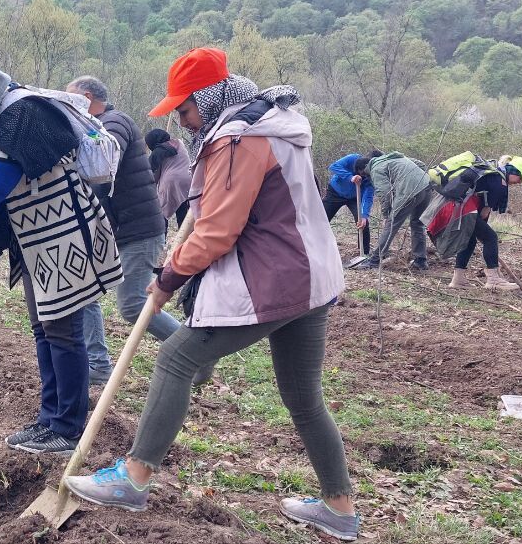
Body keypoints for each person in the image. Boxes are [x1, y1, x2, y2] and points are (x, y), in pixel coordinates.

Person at [63, 47, 359, 542]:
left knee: (177, 358)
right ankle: (340, 509)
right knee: (304, 397)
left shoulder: (238, 140)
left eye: (184, 106)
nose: (180, 117)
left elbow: (219, 230)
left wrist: (169, 278)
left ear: (210, 95)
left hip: (275, 278)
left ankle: (133, 478)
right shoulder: (276, 126)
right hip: (314, 277)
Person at [0, 59, 122, 455]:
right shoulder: (1, 120)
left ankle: (68, 428)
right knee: (44, 329)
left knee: (62, 332)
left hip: (62, 234)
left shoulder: (21, 114)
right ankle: (49, 419)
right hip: (36, 237)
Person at [66, 75, 175, 387]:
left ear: (86, 97)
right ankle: (98, 364)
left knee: (131, 305)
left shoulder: (114, 122)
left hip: (138, 231)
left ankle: (193, 349)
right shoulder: (100, 123)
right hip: (112, 230)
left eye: (71, 100)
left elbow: (102, 155)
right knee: (83, 291)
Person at [425, 154, 522, 289]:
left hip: (455, 206)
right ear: (513, 171)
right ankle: (493, 280)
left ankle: (458, 279)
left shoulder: (491, 173)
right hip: (464, 209)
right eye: (520, 177)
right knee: (491, 238)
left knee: (470, 240)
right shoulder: (499, 182)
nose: (520, 182)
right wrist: (490, 253)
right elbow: (484, 214)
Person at [351, 151, 432, 271]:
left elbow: (385, 194)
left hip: (409, 191)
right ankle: (420, 261)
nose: (365, 177)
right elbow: (421, 165)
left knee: (391, 225)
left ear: (362, 169)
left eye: (362, 175)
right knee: (417, 224)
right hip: (426, 185)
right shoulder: (394, 158)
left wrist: (386, 216)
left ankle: (374, 261)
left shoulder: (375, 169)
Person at [323, 151, 378, 255]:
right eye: (362, 173)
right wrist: (350, 177)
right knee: (322, 218)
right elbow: (333, 166)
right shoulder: (352, 158)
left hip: (354, 198)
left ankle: (364, 254)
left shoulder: (371, 176)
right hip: (335, 192)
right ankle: (314, 245)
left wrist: (364, 215)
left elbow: (368, 196)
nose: (364, 176)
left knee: (362, 222)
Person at [145, 128, 191, 228]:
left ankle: (162, 237)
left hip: (170, 183)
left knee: (161, 212)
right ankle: (184, 239)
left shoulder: (158, 153)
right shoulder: (179, 143)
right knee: (183, 211)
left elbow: (153, 175)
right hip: (188, 180)